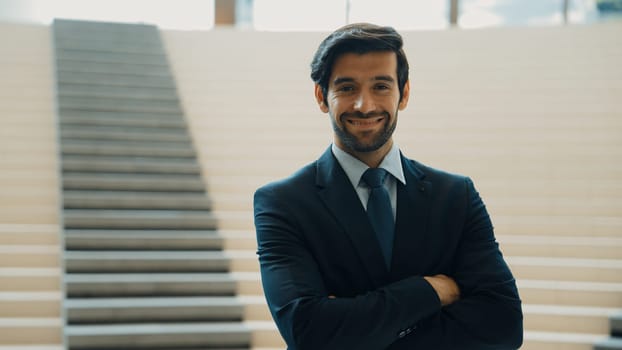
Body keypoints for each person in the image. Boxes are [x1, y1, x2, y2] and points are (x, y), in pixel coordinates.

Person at [253, 23, 523, 350]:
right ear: (322, 96)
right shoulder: (282, 202)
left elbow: (503, 325)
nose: (364, 105)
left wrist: (353, 327)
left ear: (404, 93)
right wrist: (431, 292)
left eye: (381, 86)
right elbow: (308, 330)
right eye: (347, 88)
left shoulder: (455, 196)